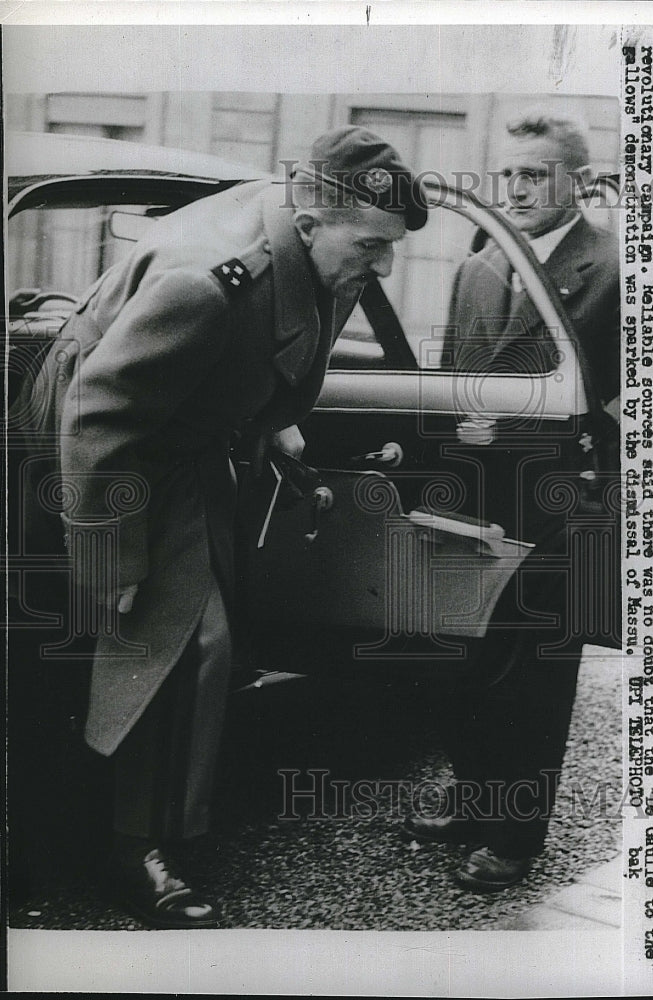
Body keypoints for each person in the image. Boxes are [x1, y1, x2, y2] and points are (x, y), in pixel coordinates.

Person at [20, 125, 427, 927]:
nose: (382, 265)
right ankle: (135, 851)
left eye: (390, 248)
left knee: (198, 635)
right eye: (372, 246)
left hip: (183, 429)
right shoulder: (209, 281)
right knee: (182, 641)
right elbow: (101, 414)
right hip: (122, 446)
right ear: (311, 224)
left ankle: (106, 811)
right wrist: (113, 555)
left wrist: (266, 419)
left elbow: (259, 350)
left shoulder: (317, 231)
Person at [404, 111, 620, 892]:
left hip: (558, 505)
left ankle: (513, 838)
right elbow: (457, 371)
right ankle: (472, 801)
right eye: (509, 173)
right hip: (474, 496)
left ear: (578, 181)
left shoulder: (616, 268)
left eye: (536, 173)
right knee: (466, 657)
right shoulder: (480, 264)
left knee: (534, 677)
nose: (517, 187)